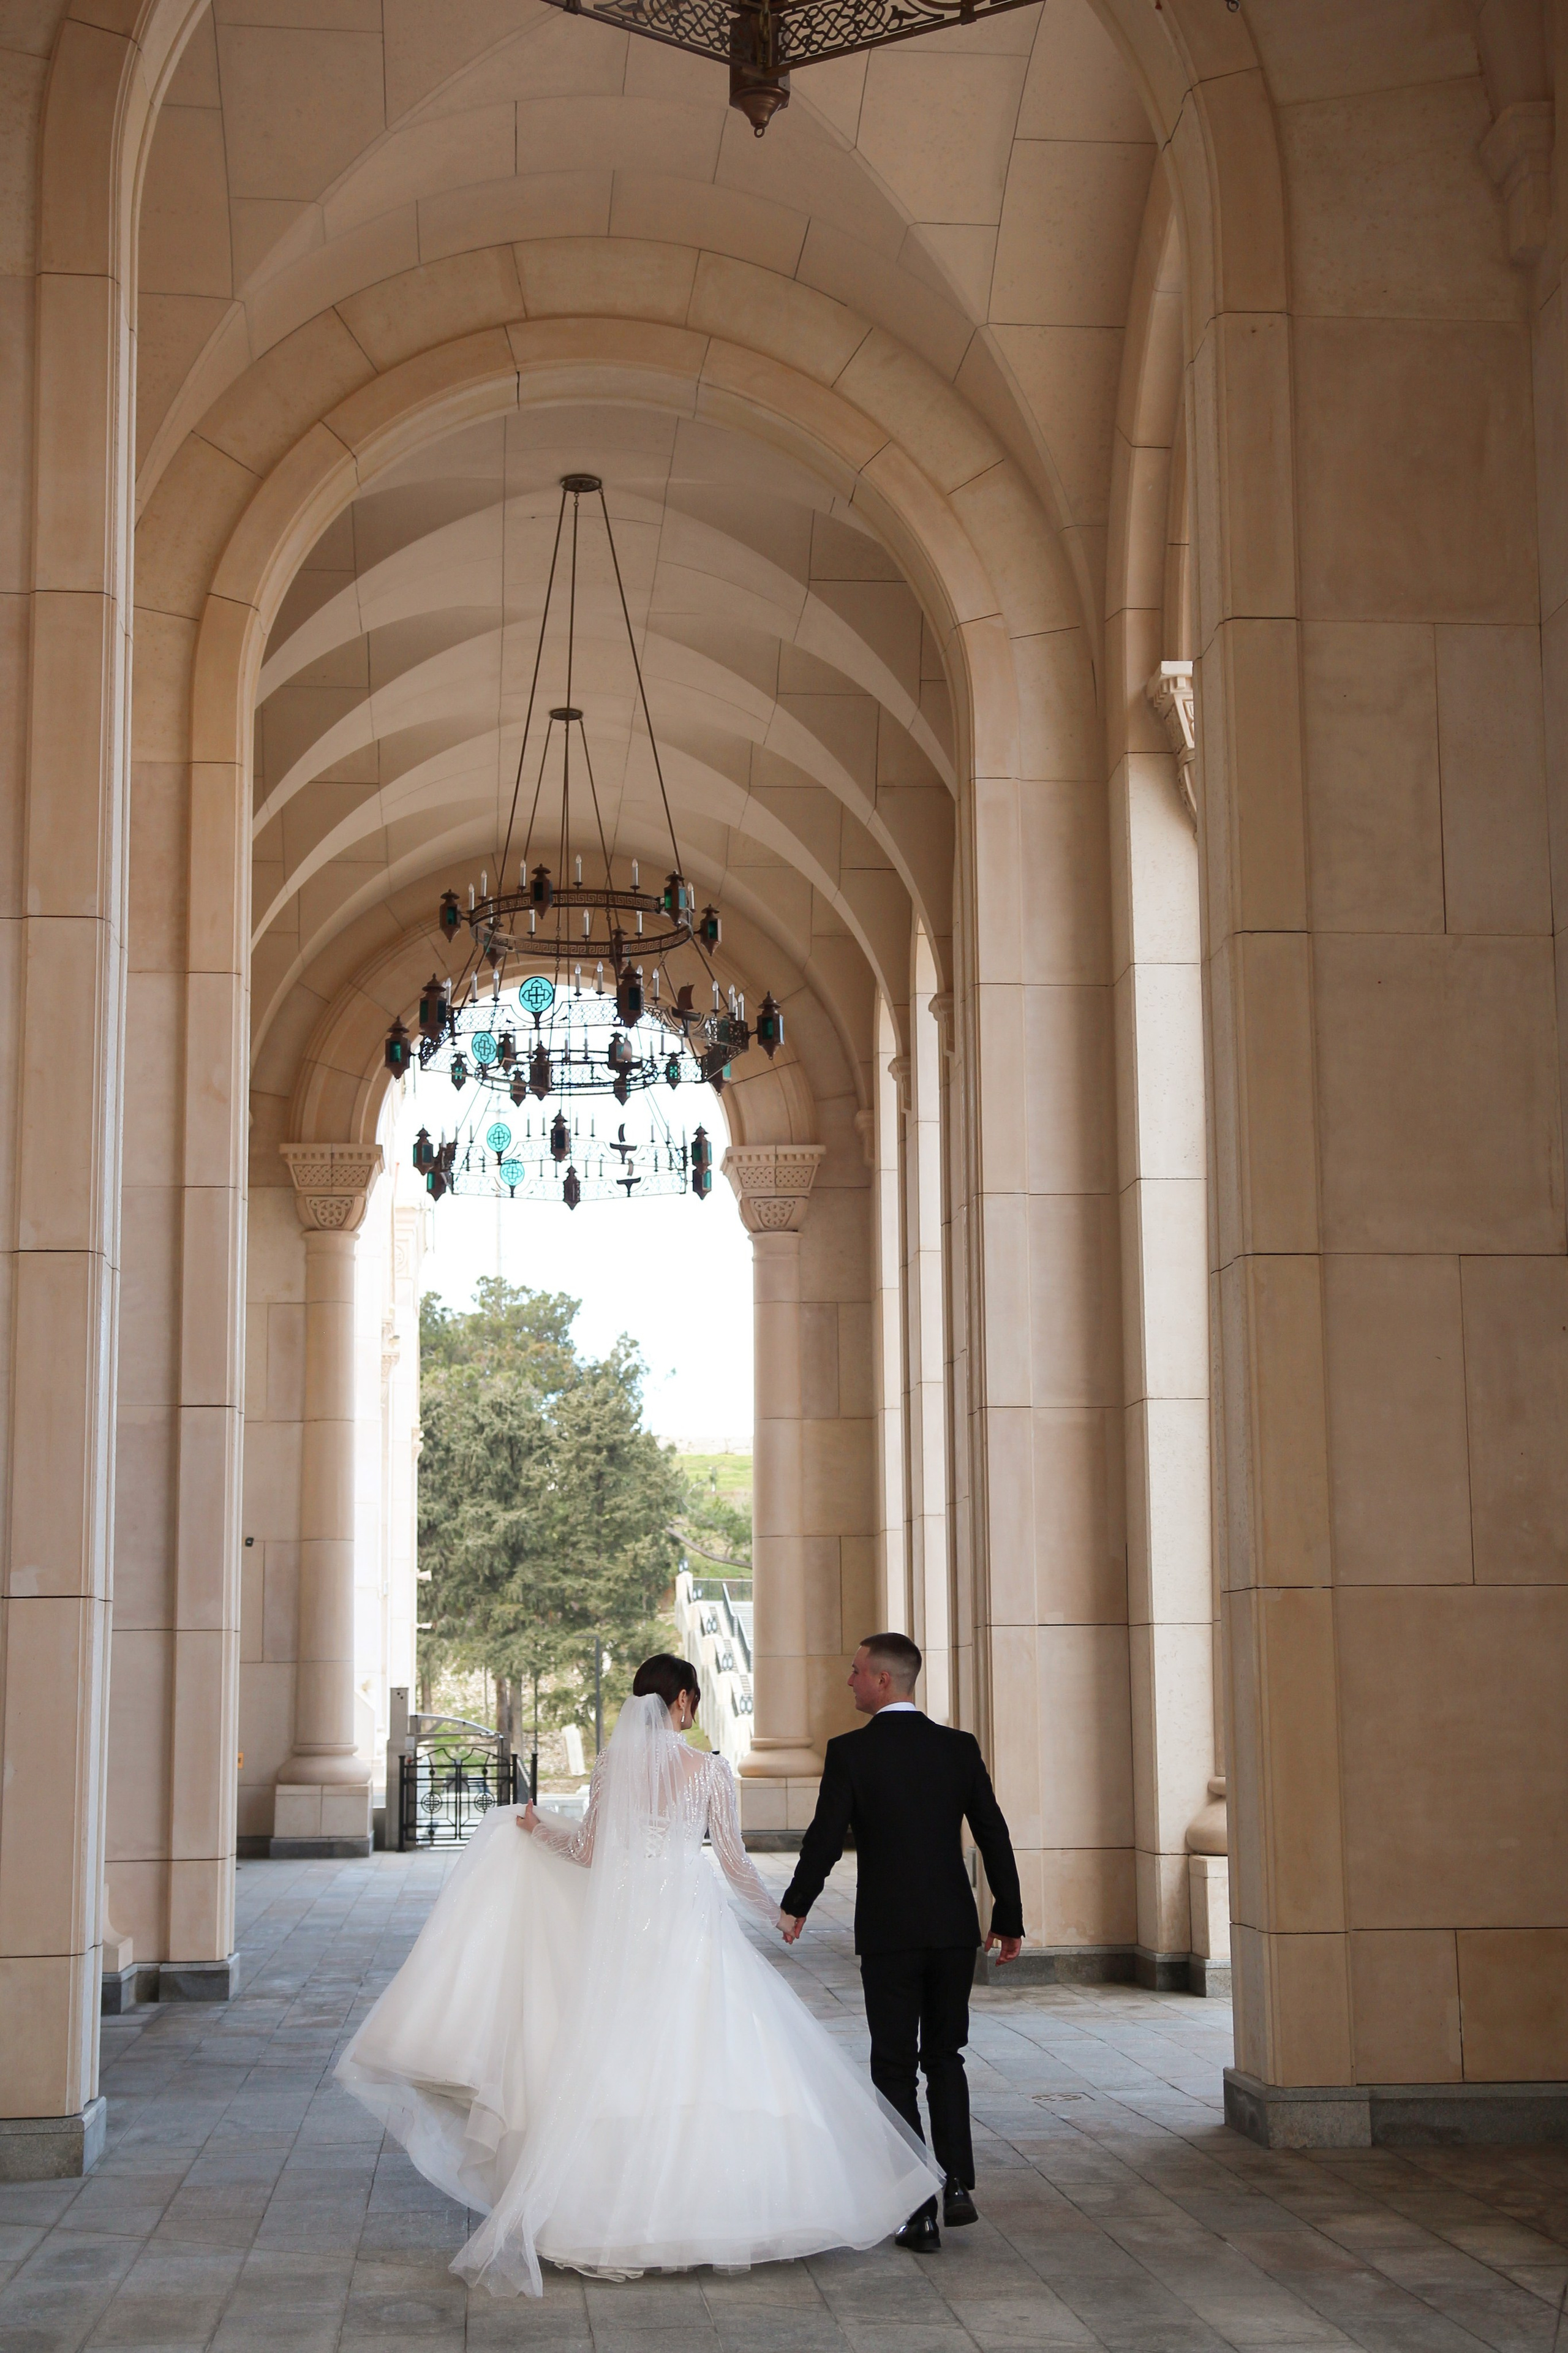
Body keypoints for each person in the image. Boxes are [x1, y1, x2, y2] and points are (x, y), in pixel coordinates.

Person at [336, 1653, 941, 2296]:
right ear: (681, 1700)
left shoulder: (611, 1765)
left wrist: (537, 1829)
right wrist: (780, 1915)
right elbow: (734, 1863)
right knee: (708, 2049)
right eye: (694, 1700)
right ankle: (717, 2210)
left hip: (626, 1927)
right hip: (690, 1923)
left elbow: (587, 1851)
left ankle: (597, 2214)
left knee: (616, 2054)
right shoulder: (710, 1770)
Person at [778, 1632, 1024, 2253]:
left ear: (883, 1679)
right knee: (946, 2055)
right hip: (951, 1930)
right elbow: (993, 1833)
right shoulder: (958, 1747)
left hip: (889, 1932)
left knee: (893, 2065)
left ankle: (917, 2206)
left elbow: (824, 1838)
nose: (850, 1680)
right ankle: (958, 2183)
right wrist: (1009, 1916)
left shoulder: (851, 1752)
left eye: (856, 1670)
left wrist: (796, 1905)